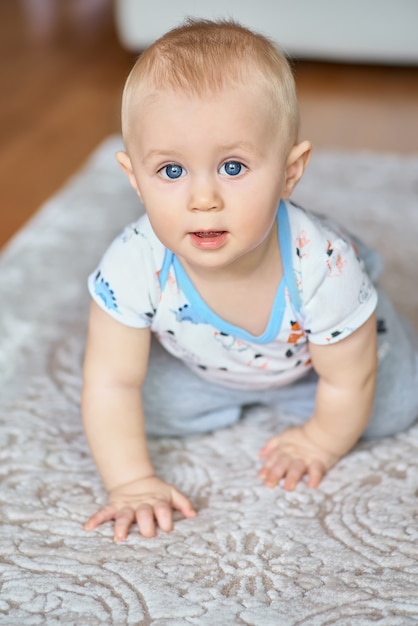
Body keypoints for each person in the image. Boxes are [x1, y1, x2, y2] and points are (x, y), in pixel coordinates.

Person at [81, 19, 418, 542]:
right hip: (211, 361)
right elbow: (109, 380)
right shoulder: (132, 262)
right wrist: (132, 481)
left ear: (289, 171)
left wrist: (319, 441)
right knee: (137, 407)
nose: (203, 199)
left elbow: (349, 380)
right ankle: (249, 393)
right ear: (135, 179)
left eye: (233, 167)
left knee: (390, 402)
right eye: (171, 172)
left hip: (312, 363)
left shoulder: (321, 264)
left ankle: (367, 311)